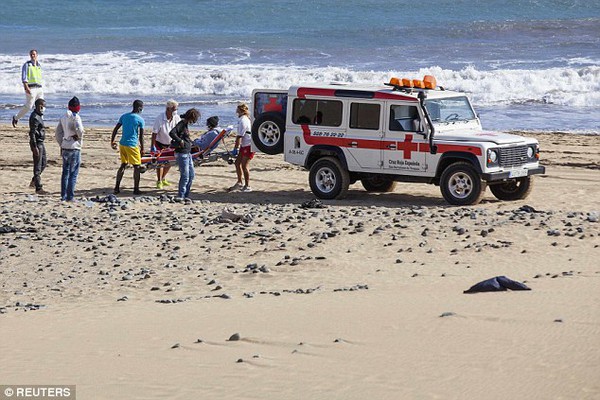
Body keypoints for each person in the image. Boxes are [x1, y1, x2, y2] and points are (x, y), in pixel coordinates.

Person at [110, 100, 145, 195]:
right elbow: (141, 136)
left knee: (123, 165)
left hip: (122, 144)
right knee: (137, 167)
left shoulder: (124, 116)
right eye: (142, 107)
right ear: (139, 108)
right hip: (132, 145)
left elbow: (115, 129)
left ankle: (116, 188)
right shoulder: (140, 119)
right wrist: (142, 148)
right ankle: (136, 189)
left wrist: (112, 141)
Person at [55, 96, 84, 201]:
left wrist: (61, 143)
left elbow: (58, 133)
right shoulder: (76, 117)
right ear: (78, 107)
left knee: (65, 172)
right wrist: (79, 136)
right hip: (74, 147)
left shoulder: (63, 117)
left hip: (65, 146)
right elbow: (79, 130)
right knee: (73, 173)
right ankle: (70, 196)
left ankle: (63, 196)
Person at [169, 108, 200, 200]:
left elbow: (183, 136)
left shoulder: (185, 124)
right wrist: (180, 141)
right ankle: (181, 195)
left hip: (187, 153)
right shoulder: (182, 124)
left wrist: (189, 142)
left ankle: (186, 194)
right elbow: (172, 133)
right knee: (185, 176)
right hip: (182, 153)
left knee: (191, 175)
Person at [151, 99, 180, 189]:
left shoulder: (176, 118)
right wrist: (152, 146)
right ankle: (159, 181)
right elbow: (154, 133)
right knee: (160, 163)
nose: (175, 111)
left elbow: (179, 130)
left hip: (171, 144)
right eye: (174, 109)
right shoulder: (160, 118)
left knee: (169, 162)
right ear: (168, 109)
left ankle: (163, 178)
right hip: (159, 143)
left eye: (176, 109)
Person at [13, 50, 44, 128]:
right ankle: (16, 117)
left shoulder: (39, 65)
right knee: (29, 106)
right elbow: (24, 77)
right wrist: (26, 87)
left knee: (41, 106)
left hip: (39, 88)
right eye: (31, 54)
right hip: (31, 88)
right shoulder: (27, 65)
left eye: (34, 54)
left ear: (37, 55)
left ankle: (40, 123)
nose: (32, 56)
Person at [229, 103, 254, 192]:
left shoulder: (243, 120)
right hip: (244, 145)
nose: (236, 111)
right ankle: (239, 182)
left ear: (240, 110)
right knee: (237, 163)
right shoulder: (243, 119)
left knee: (244, 165)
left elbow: (239, 136)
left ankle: (247, 186)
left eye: (237, 109)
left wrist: (236, 148)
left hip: (248, 145)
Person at [29, 98, 48, 194]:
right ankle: (38, 187)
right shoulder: (35, 117)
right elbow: (32, 133)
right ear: (39, 106)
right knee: (37, 165)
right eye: (43, 106)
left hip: (41, 142)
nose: (44, 108)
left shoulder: (39, 116)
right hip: (37, 143)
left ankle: (34, 180)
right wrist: (34, 146)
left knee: (44, 163)